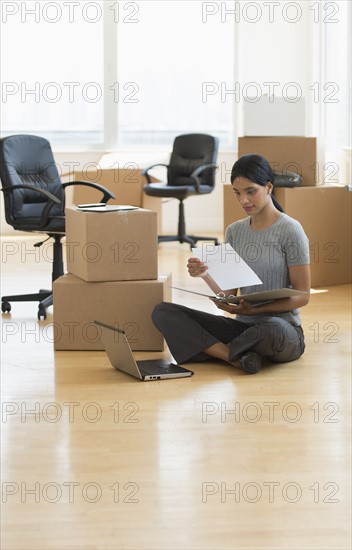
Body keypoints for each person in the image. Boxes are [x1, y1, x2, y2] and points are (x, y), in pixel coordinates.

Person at [152, 154, 310, 374]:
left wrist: (257, 311)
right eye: (237, 193)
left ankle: (219, 351)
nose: (243, 200)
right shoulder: (235, 231)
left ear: (269, 187)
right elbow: (228, 293)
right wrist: (205, 275)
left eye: (250, 191)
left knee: (272, 329)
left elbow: (303, 296)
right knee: (163, 312)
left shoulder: (291, 230)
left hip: (282, 330)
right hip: (242, 328)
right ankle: (235, 357)